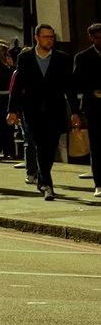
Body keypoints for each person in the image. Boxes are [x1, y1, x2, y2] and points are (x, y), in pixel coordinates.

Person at [7, 24, 75, 201]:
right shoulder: (25, 58)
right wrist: (12, 110)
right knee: (39, 145)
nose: (49, 40)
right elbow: (18, 86)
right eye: (45, 37)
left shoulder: (62, 58)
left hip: (55, 109)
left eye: (51, 37)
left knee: (50, 147)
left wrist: (75, 111)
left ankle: (42, 177)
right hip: (33, 110)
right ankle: (47, 184)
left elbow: (69, 87)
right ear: (37, 38)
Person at [79, 24, 101, 199]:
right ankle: (99, 183)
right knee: (97, 146)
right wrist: (92, 91)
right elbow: (76, 82)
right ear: (91, 38)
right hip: (94, 108)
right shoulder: (83, 57)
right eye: (97, 37)